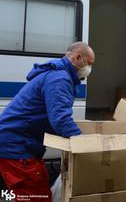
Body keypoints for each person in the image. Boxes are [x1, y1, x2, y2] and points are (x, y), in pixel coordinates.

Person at [0, 42, 95, 201]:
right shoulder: (60, 78)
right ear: (78, 57)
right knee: (36, 197)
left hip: (23, 143)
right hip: (16, 147)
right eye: (89, 64)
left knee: (41, 188)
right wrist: (85, 143)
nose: (89, 69)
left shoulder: (57, 74)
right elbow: (60, 119)